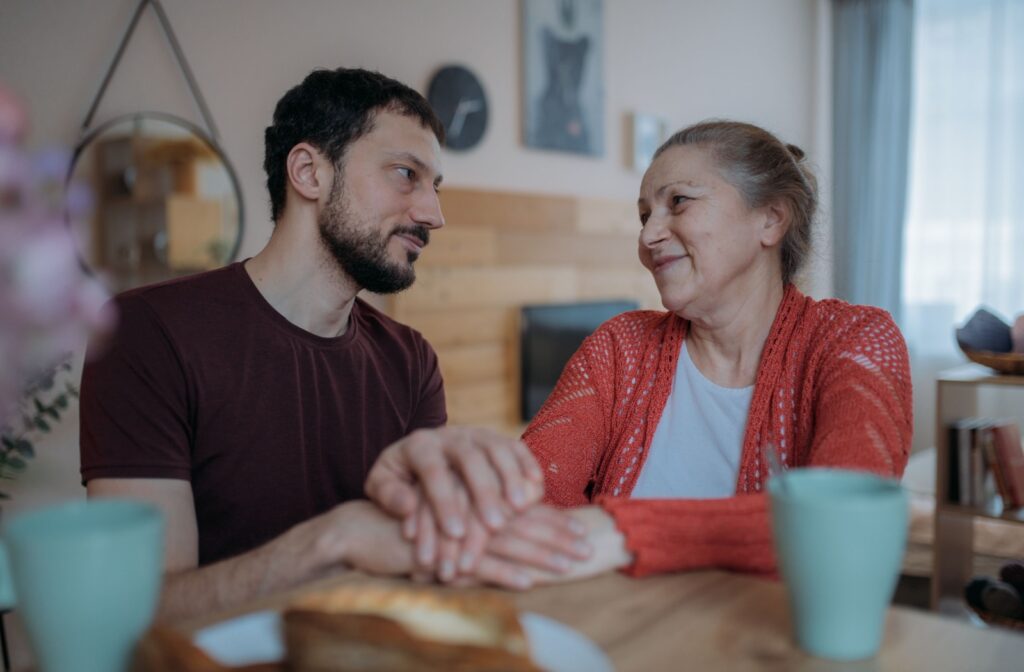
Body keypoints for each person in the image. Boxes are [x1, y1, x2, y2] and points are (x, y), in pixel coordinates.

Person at [80, 68, 587, 621]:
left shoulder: (411, 360)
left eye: (435, 187)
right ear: (309, 173)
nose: (434, 215)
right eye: (406, 174)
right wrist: (332, 540)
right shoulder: (146, 332)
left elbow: (427, 560)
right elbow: (140, 614)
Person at [510, 120, 914, 580]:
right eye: (644, 216)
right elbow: (531, 497)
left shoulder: (856, 341)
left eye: (679, 202)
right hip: (616, 622)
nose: (648, 237)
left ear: (770, 219)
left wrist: (623, 532)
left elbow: (840, 523)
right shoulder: (618, 348)